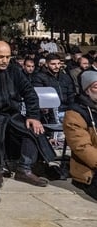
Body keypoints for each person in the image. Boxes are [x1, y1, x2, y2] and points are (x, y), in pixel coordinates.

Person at [0, 41, 52, 187]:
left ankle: (24, 169)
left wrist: (33, 116)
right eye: (0, 57)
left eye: (7, 57)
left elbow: (30, 93)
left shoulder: (15, 71)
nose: (5, 60)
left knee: (33, 129)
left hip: (12, 114)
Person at [63, 71, 97, 200]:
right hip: (90, 171)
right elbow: (82, 147)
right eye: (96, 86)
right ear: (86, 90)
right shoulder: (75, 113)